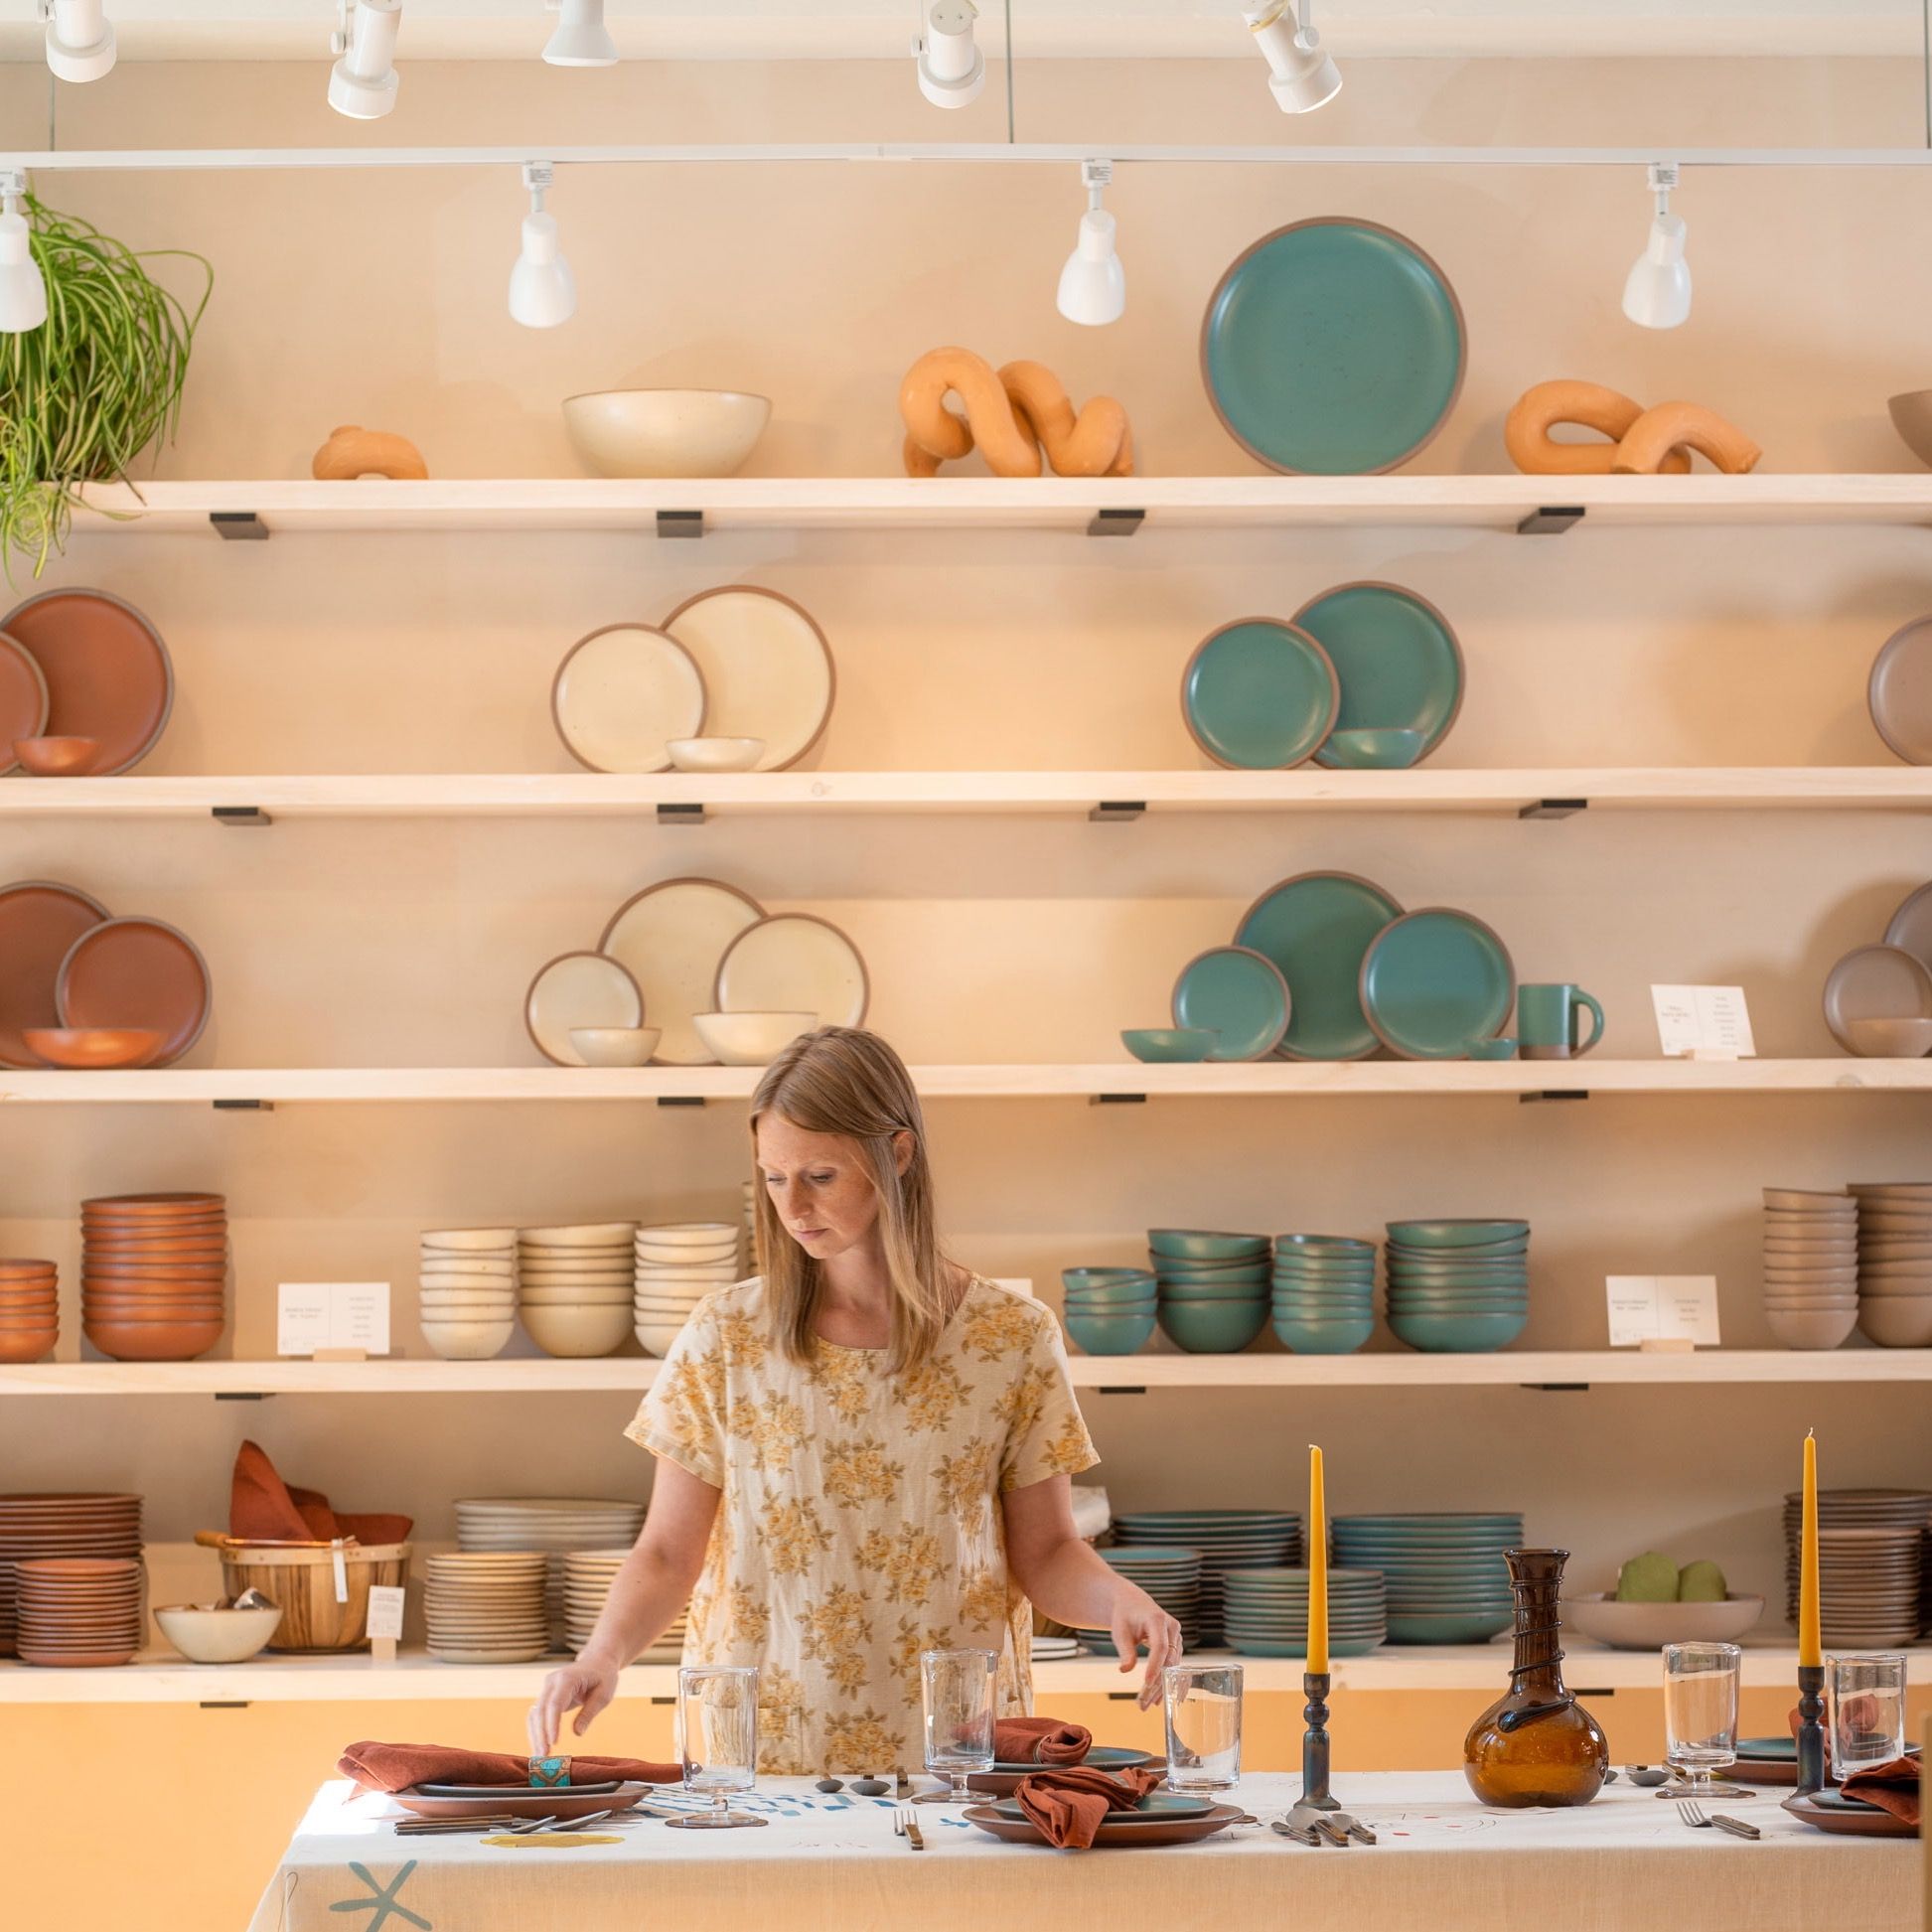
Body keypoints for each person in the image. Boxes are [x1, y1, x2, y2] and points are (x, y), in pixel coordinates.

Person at [529, 1025, 1181, 1774]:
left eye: (819, 1175)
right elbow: (669, 1550)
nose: (792, 1204)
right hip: (763, 1753)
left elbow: (1047, 1553)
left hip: (953, 1748)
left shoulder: (1010, 1339)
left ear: (897, 1154)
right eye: (773, 1177)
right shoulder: (725, 1335)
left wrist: (1121, 1601)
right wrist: (600, 1655)